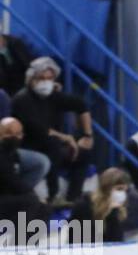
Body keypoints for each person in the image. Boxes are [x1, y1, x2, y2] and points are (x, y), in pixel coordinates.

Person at [11, 58, 93, 204]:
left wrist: (87, 135)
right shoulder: (22, 99)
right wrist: (66, 138)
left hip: (50, 147)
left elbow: (80, 105)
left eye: (49, 78)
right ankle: (52, 196)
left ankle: (74, 197)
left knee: (83, 152)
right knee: (53, 143)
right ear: (31, 79)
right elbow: (38, 129)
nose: (45, 82)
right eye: (41, 78)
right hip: (29, 147)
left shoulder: (53, 96)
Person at [70, 166, 130, 243]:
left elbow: (117, 242)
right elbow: (89, 242)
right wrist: (109, 214)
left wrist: (112, 214)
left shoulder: (117, 210)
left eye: (125, 190)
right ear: (106, 188)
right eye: (119, 189)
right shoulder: (85, 206)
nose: (122, 194)